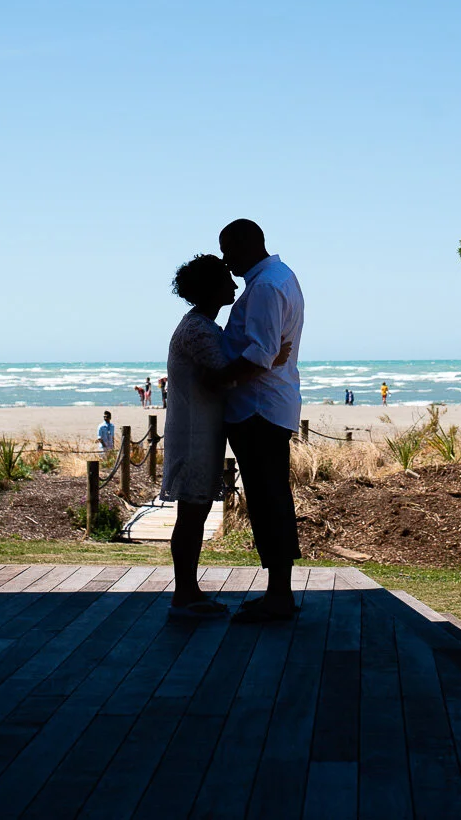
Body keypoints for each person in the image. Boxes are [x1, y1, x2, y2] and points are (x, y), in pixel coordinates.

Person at [162, 253, 291, 623]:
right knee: (192, 512)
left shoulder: (200, 325)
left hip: (200, 432)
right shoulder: (199, 329)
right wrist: (272, 357)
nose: (234, 285)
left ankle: (188, 591)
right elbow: (220, 375)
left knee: (195, 511)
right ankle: (184, 592)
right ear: (209, 288)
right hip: (194, 435)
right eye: (225, 280)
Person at [220, 219, 305, 625]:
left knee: (268, 500)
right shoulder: (277, 277)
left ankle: (279, 595)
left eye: (228, 249)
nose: (225, 260)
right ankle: (278, 591)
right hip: (268, 406)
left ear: (245, 244)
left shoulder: (267, 286)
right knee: (271, 498)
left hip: (258, 408)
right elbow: (271, 350)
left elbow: (261, 353)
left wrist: (217, 378)